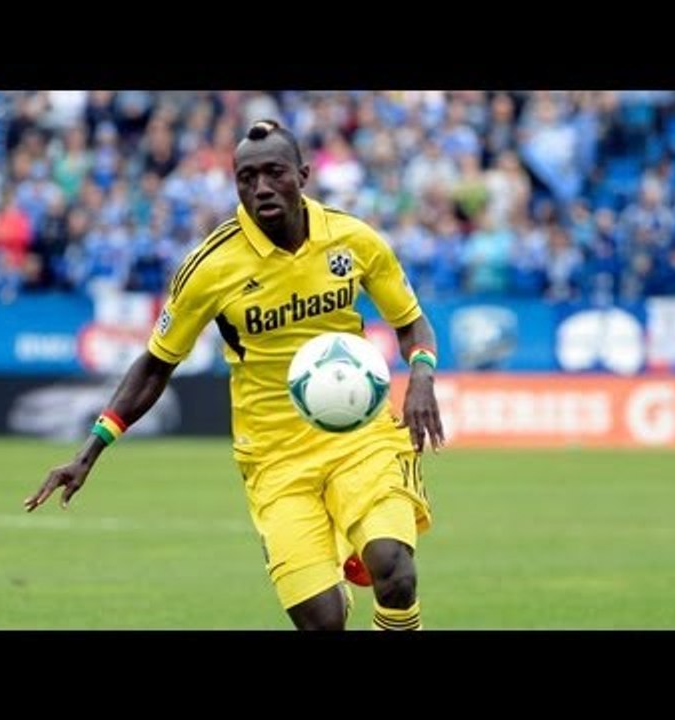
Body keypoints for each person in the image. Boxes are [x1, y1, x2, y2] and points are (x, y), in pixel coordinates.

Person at [24, 119, 445, 630]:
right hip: (274, 457)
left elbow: (410, 321)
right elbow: (157, 363)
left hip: (362, 438)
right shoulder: (211, 268)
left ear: (303, 176)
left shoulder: (354, 240)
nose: (261, 188)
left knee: (394, 571)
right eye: (246, 178)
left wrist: (421, 375)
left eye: (274, 173)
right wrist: (89, 451)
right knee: (323, 623)